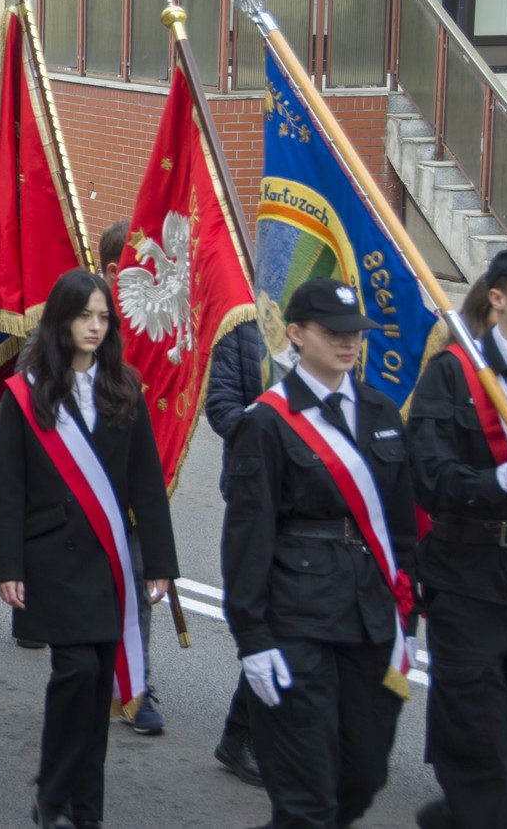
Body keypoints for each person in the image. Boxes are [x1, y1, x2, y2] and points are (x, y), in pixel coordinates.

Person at [221, 277, 418, 829]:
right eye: (334, 332)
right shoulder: (265, 422)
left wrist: (409, 612)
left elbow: (401, 528)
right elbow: (247, 537)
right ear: (297, 335)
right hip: (297, 619)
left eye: (355, 333)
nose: (349, 343)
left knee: (363, 774)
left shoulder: (380, 412)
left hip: (371, 620)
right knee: (307, 796)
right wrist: (253, 640)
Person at [0, 268, 177, 826]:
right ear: (61, 321)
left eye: (103, 318)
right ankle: (52, 790)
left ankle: (85, 807)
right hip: (51, 561)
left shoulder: (125, 386)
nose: (94, 327)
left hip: (108, 561)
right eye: (83, 316)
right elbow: (9, 486)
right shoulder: (27, 394)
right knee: (76, 673)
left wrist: (161, 564)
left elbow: (147, 481)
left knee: (98, 687)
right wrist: (8, 566)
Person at [410, 241, 507, 829]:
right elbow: (428, 477)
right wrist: (501, 478)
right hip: (467, 584)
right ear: (497, 300)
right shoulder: (453, 376)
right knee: (477, 745)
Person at [204, 314, 269, 788]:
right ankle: (242, 734)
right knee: (270, 623)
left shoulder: (335, 332)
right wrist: (272, 426)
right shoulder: (243, 328)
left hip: (327, 505)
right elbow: (221, 406)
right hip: (259, 497)